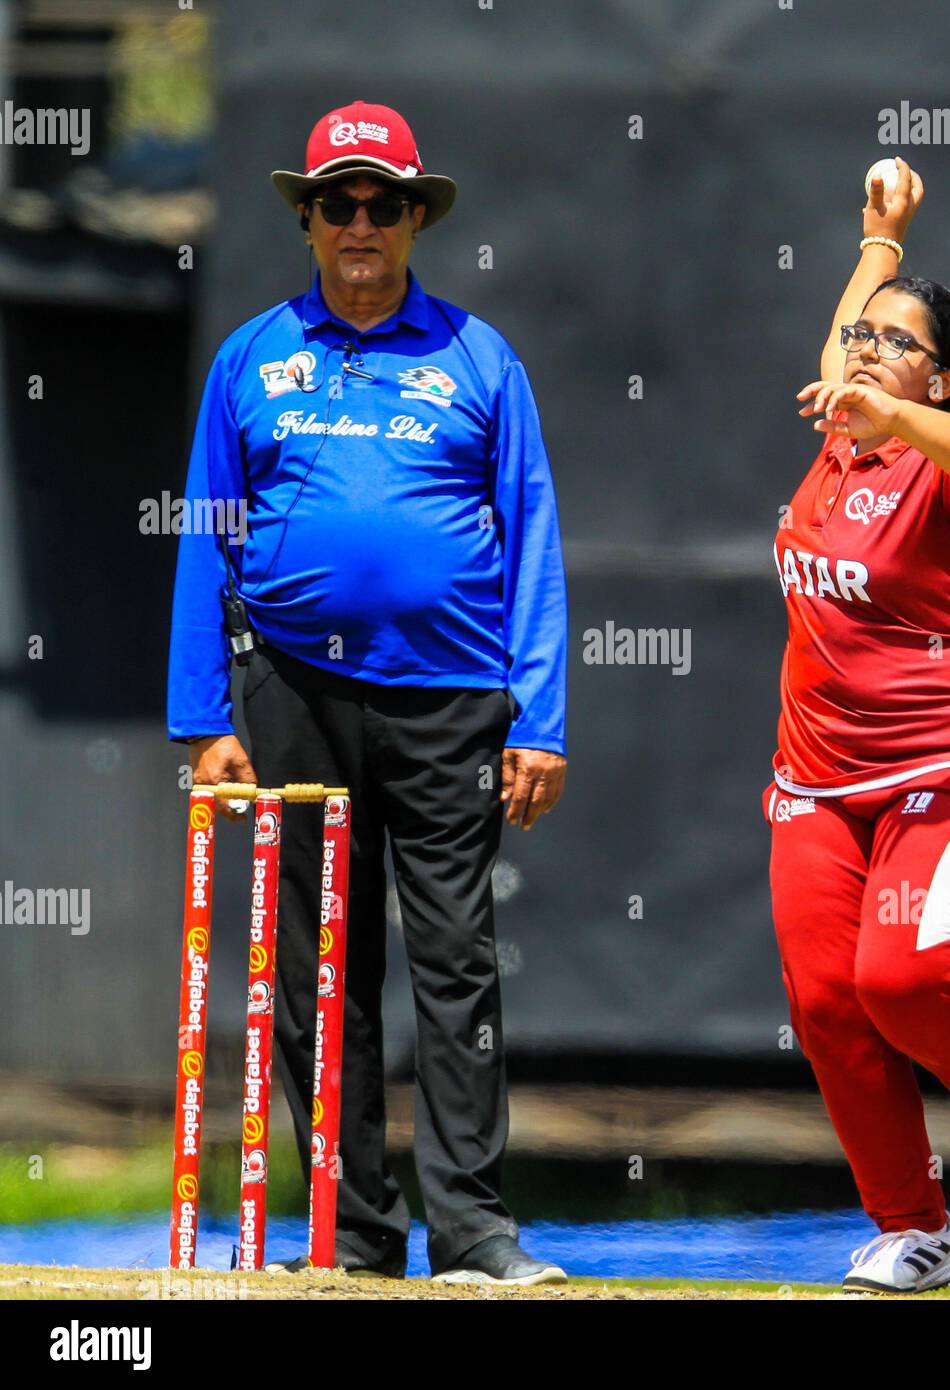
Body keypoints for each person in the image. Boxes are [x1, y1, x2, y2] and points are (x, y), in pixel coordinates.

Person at [167, 101, 568, 1285]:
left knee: (457, 963)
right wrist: (202, 719)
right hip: (289, 688)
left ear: (411, 220)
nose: (358, 223)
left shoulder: (478, 356)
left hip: (450, 698)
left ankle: (475, 1234)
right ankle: (348, 1235)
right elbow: (206, 535)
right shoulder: (249, 358)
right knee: (313, 967)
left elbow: (534, 536)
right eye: (335, 203)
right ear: (305, 219)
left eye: (380, 204)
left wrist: (538, 716)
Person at [764, 157, 950, 1294]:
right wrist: (879, 236)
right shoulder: (839, 435)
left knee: (902, 977)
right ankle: (912, 1230)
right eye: (859, 340)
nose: (863, 353)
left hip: (947, 759)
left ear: (946, 379)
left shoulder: (949, 474)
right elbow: (850, 338)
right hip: (815, 778)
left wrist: (901, 415)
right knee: (828, 1004)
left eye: (894, 345)